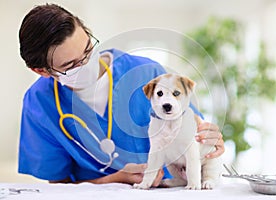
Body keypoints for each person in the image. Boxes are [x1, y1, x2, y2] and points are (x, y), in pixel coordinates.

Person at [18, 3, 225, 185]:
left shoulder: (147, 74)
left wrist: (210, 139)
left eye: (88, 50)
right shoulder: (39, 103)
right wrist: (111, 180)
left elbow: (195, 135)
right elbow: (57, 183)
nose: (86, 64)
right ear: (42, 71)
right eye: (71, 65)